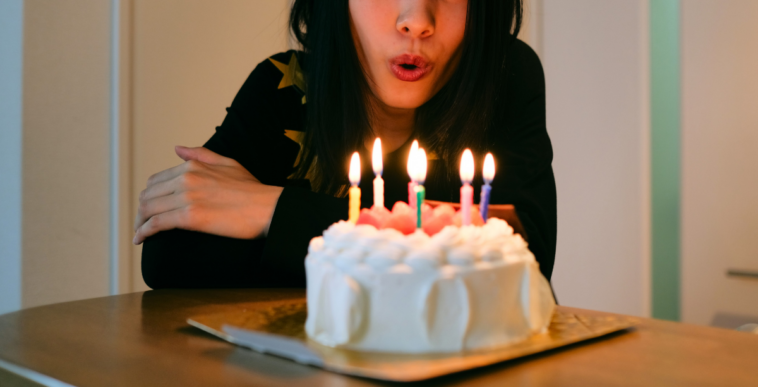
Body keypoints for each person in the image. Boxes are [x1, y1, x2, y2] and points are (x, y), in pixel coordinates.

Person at [135, 0, 556, 289]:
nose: (416, 20)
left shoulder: (502, 80)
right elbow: (171, 255)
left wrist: (269, 209)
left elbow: (524, 261)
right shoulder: (285, 86)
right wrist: (440, 251)